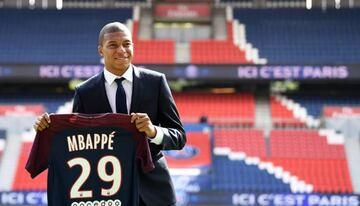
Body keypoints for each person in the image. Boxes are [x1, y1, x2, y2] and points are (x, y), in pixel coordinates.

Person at [33, 22, 186, 206]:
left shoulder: (156, 82)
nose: (121, 50)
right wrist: (47, 127)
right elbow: (76, 143)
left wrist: (153, 131)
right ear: (101, 50)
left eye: (126, 44)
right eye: (113, 45)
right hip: (107, 192)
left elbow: (179, 137)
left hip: (153, 191)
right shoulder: (85, 92)